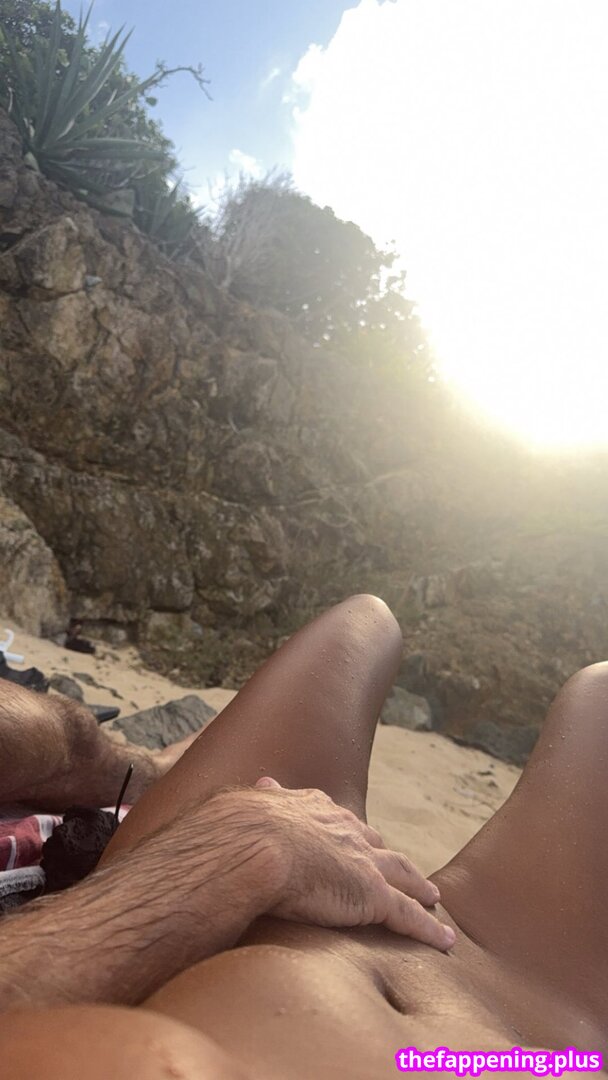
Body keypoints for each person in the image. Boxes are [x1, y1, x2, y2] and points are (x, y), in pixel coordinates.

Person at [0, 594, 605, 1079]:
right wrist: (238, 852)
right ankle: (159, 772)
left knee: (366, 621)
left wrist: (243, 843)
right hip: (556, 1042)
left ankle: (155, 771)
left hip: (246, 920)